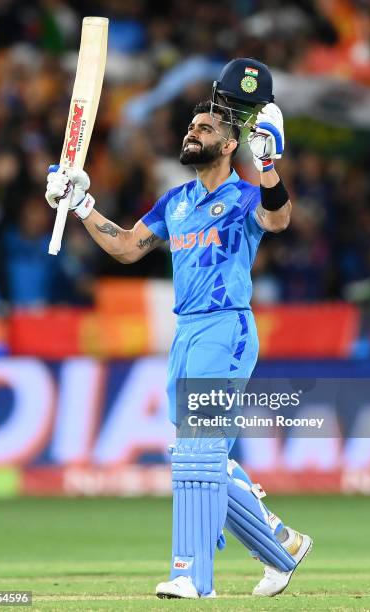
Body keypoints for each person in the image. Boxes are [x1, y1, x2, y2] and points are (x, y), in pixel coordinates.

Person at [45, 58, 312, 599]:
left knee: (196, 455)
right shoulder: (178, 202)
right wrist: (81, 204)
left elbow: (279, 219)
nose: (193, 131)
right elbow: (125, 246)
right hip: (186, 331)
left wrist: (271, 167)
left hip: (226, 329)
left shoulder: (242, 197)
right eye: (192, 126)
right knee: (198, 454)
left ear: (229, 144)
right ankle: (281, 546)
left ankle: (193, 576)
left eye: (206, 128)